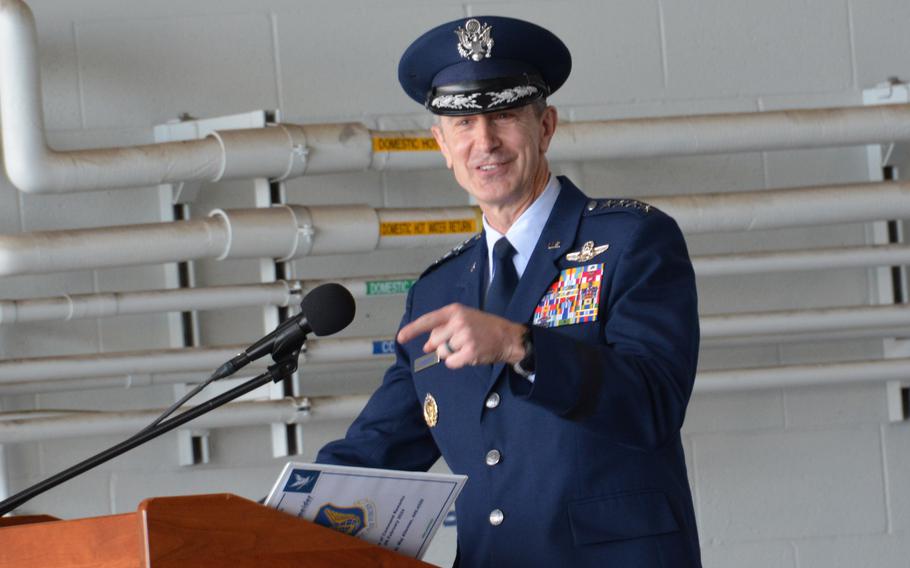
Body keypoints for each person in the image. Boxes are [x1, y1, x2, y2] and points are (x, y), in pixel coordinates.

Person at [317, 15, 702, 567]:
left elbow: (653, 403)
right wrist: (251, 524)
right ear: (442, 146)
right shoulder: (437, 292)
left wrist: (523, 346)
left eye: (503, 116)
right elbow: (377, 453)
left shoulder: (630, 241)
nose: (485, 142)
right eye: (464, 125)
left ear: (545, 127)